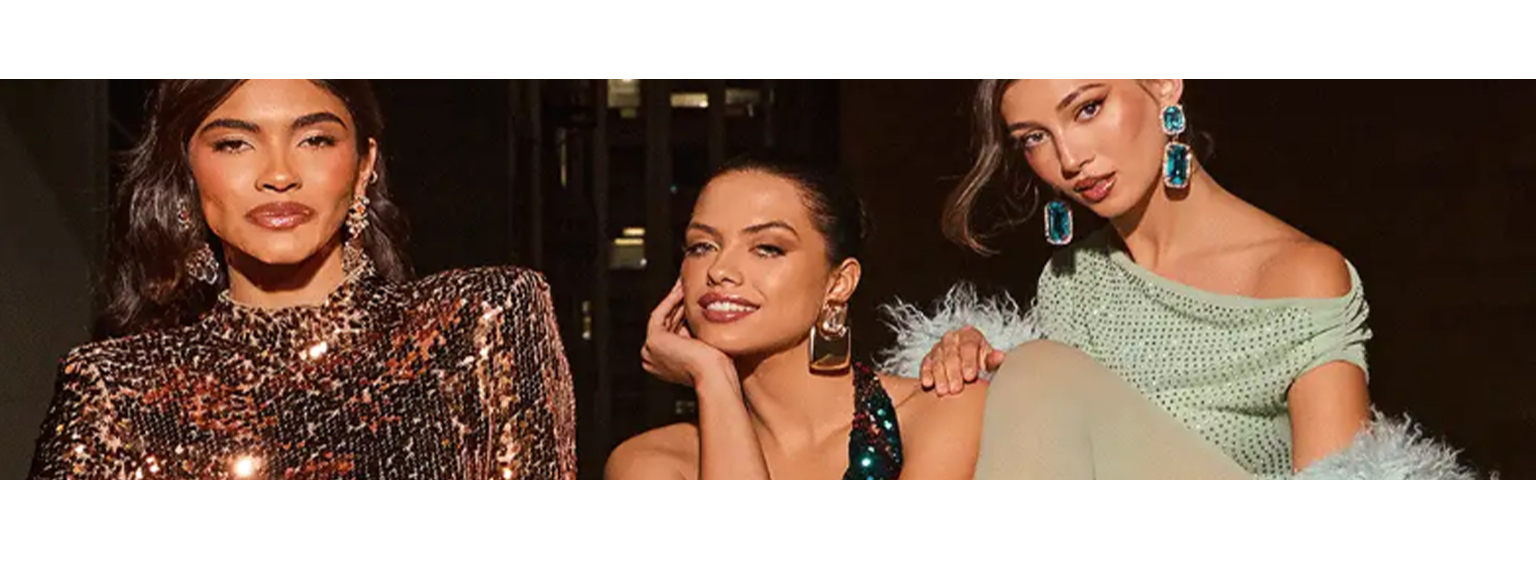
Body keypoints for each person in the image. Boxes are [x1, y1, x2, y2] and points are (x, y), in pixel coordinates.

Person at [884, 79, 1472, 479]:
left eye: (1088, 108)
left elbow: (1340, 507)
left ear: (1164, 82)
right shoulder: (1068, 283)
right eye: (1034, 138)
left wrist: (1031, 374)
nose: (1069, 159)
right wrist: (975, 365)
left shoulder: (1299, 275)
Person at [29, 79, 576, 480]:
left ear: (364, 166)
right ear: (185, 172)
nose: (279, 175)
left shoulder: (481, 321)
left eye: (315, 139)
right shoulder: (113, 390)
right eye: (234, 144)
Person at [605, 155, 987, 479]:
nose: (719, 270)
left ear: (839, 283)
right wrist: (713, 377)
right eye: (702, 246)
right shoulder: (649, 463)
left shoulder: (945, 409)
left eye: (767, 248)